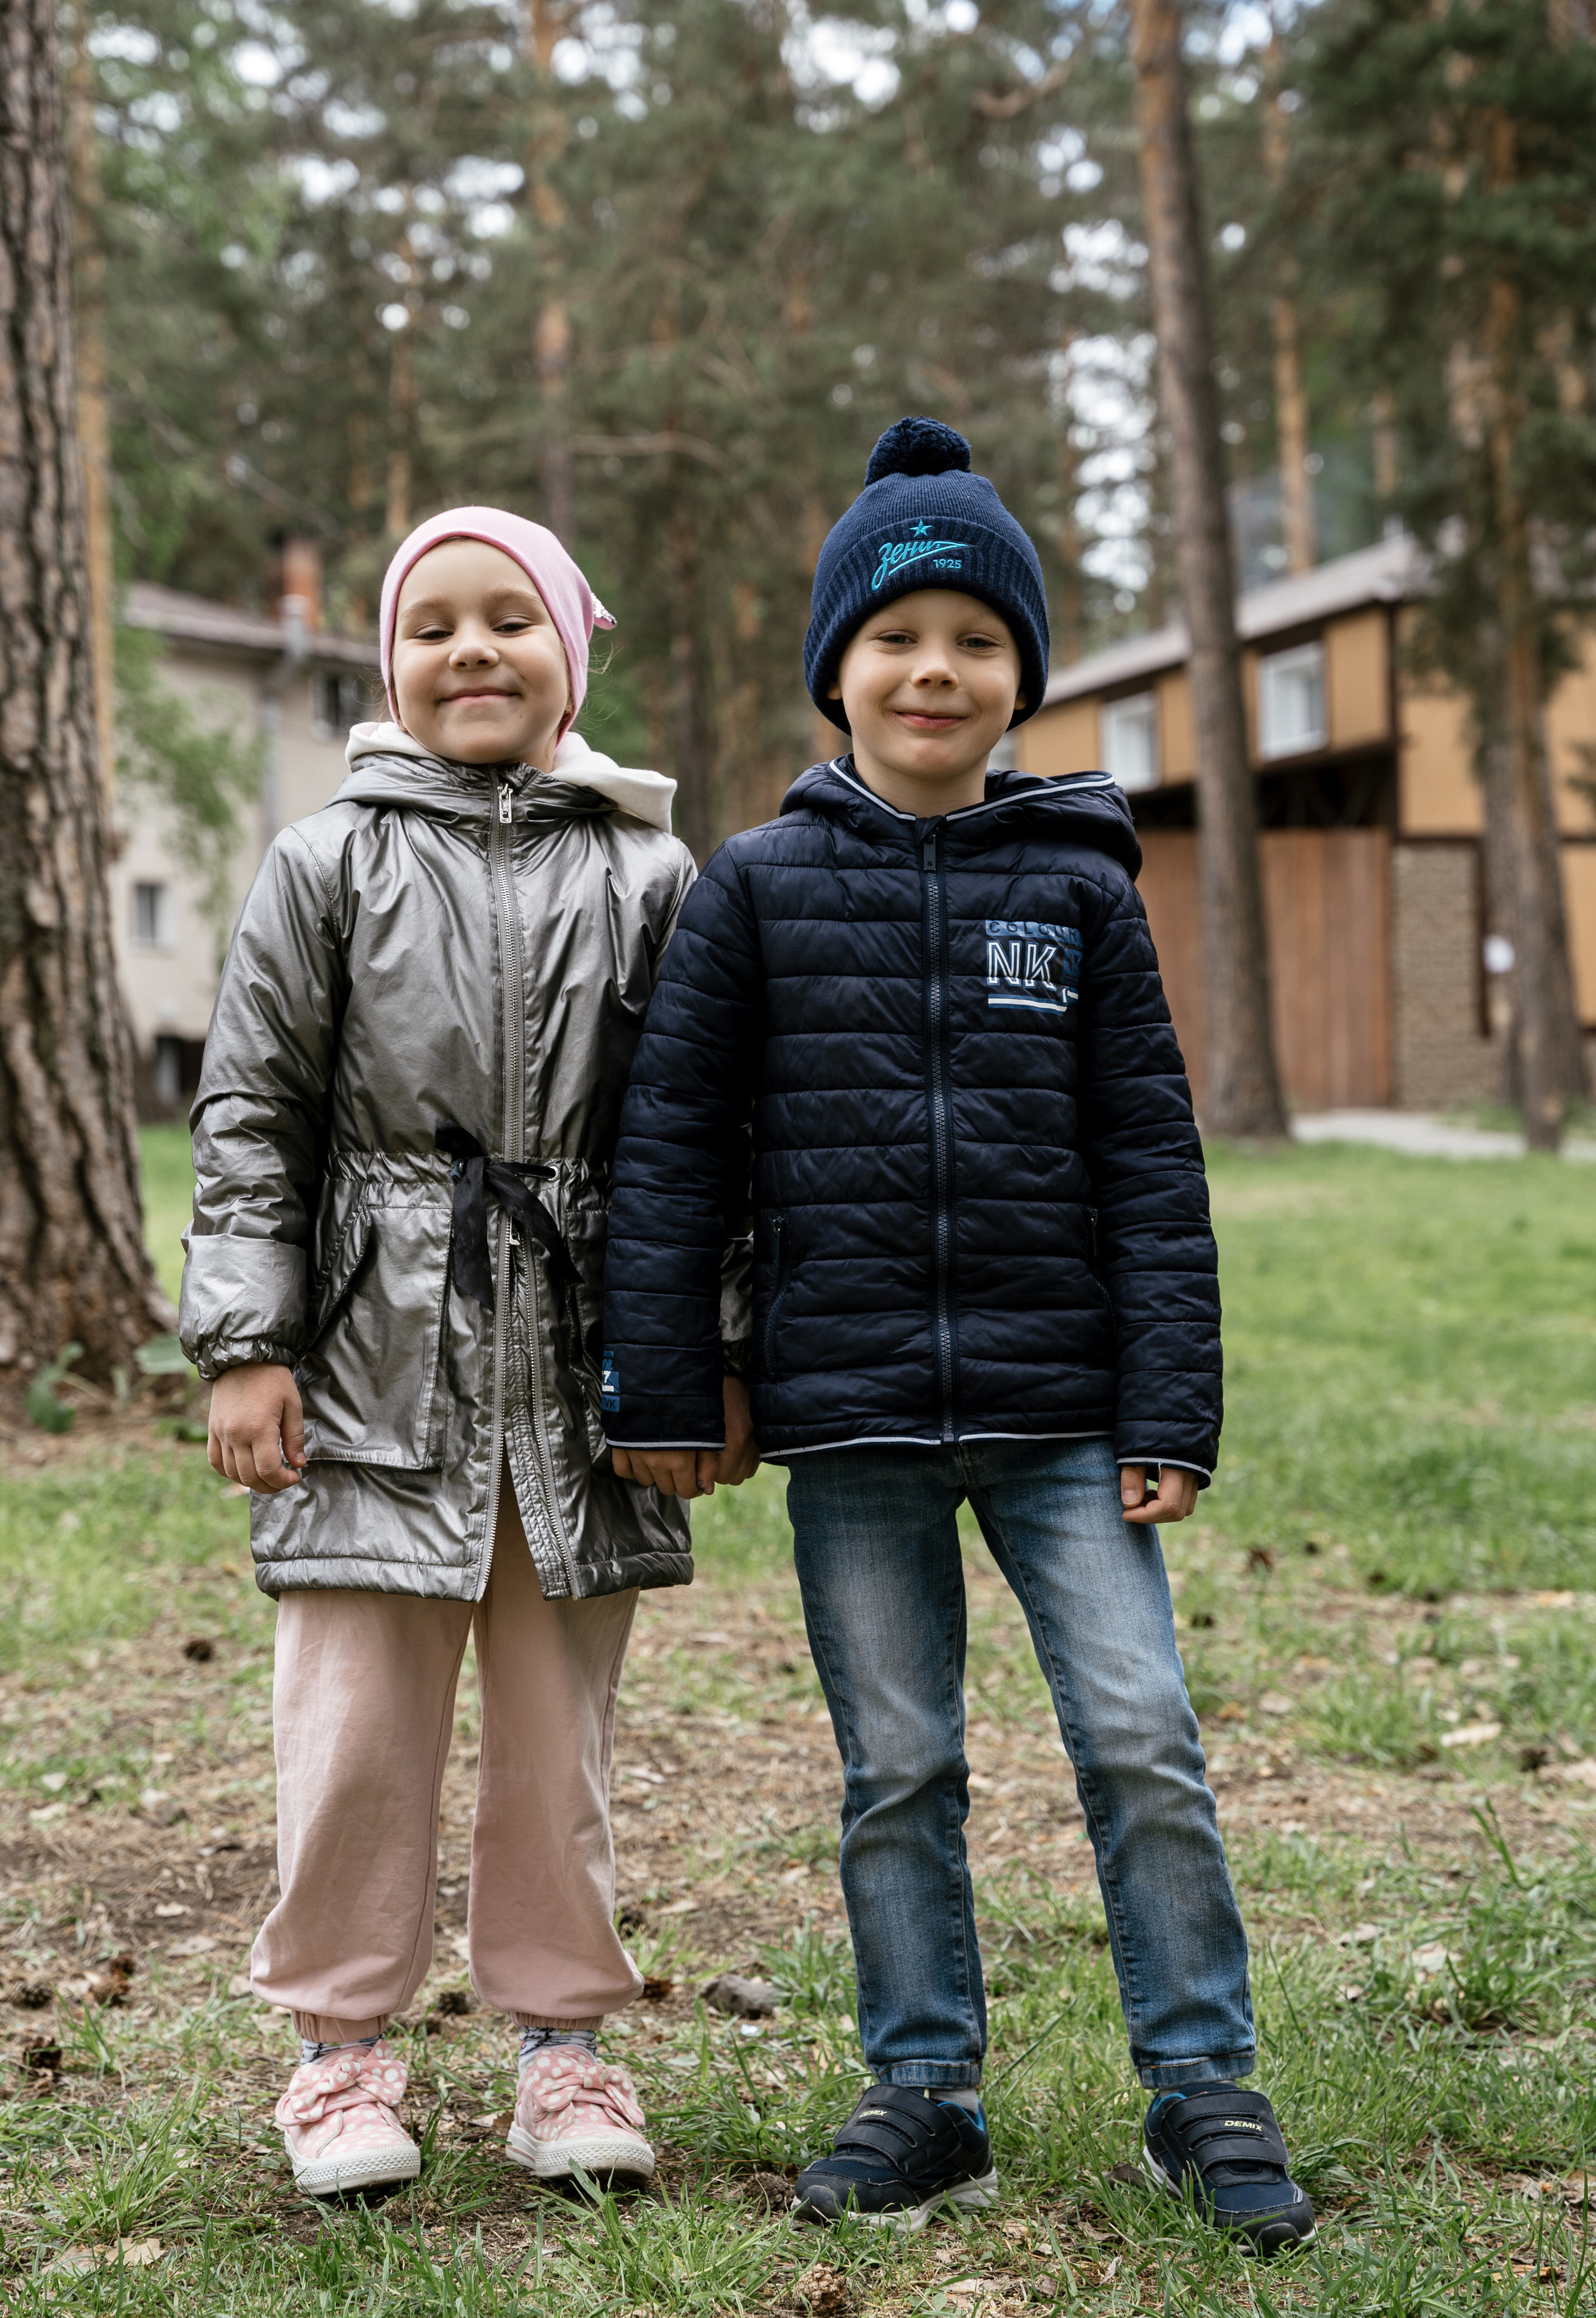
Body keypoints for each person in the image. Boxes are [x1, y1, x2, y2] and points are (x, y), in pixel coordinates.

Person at [601, 419, 1315, 2254]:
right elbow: (676, 1150)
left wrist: (1175, 1400)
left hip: (1068, 1411)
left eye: (978, 641)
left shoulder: (1081, 887)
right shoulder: (752, 887)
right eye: (898, 637)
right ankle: (924, 2094)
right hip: (848, 1422)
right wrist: (672, 1382)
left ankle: (1204, 2085)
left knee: (1143, 1734)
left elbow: (1151, 1159)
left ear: (1022, 676)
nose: (937, 671)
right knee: (897, 1767)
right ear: (837, 667)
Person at [179, 506, 757, 2199]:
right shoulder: (327, 860)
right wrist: (245, 1341)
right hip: (373, 1361)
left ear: (571, 657)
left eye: (512, 620)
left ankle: (564, 2045)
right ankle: (339, 2051)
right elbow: (252, 1113)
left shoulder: (651, 873)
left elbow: (702, 1138)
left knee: (555, 1732)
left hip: (582, 1384)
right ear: (389, 662)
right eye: (434, 625)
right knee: (353, 1724)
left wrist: (705, 1358)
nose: (472, 651)